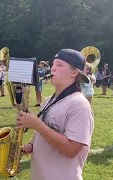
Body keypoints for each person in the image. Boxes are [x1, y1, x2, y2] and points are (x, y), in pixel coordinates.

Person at [17, 49, 94, 180]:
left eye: (59, 65)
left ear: (74, 72)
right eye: (53, 64)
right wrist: (31, 146)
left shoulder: (80, 105)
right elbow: (46, 129)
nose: (52, 69)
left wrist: (37, 124)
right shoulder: (49, 100)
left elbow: (71, 150)